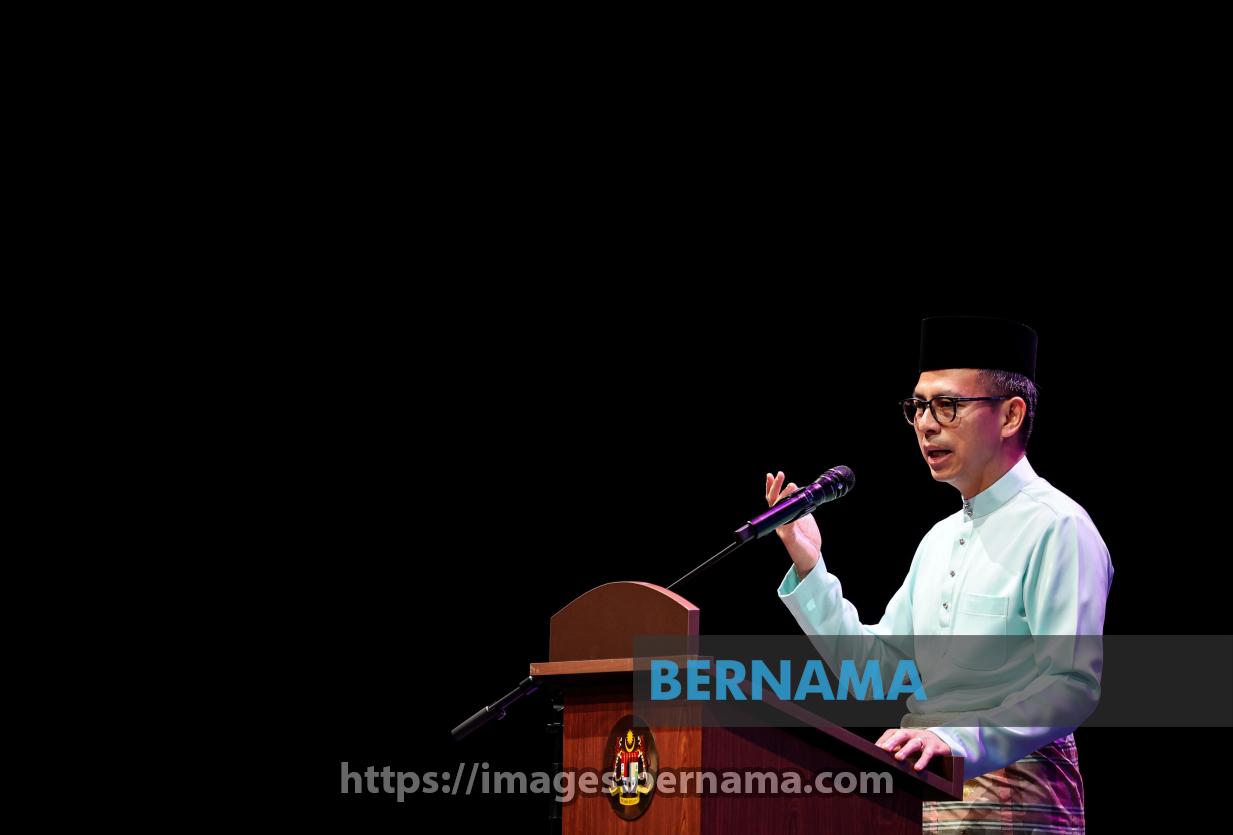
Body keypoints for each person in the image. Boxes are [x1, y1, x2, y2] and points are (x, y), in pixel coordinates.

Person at [770, 315, 1112, 834]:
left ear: (1011, 414)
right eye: (918, 407)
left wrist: (955, 740)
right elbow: (877, 670)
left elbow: (1071, 685)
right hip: (918, 795)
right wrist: (809, 564)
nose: (926, 424)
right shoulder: (938, 539)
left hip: (1016, 803)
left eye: (947, 405)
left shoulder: (1059, 526)